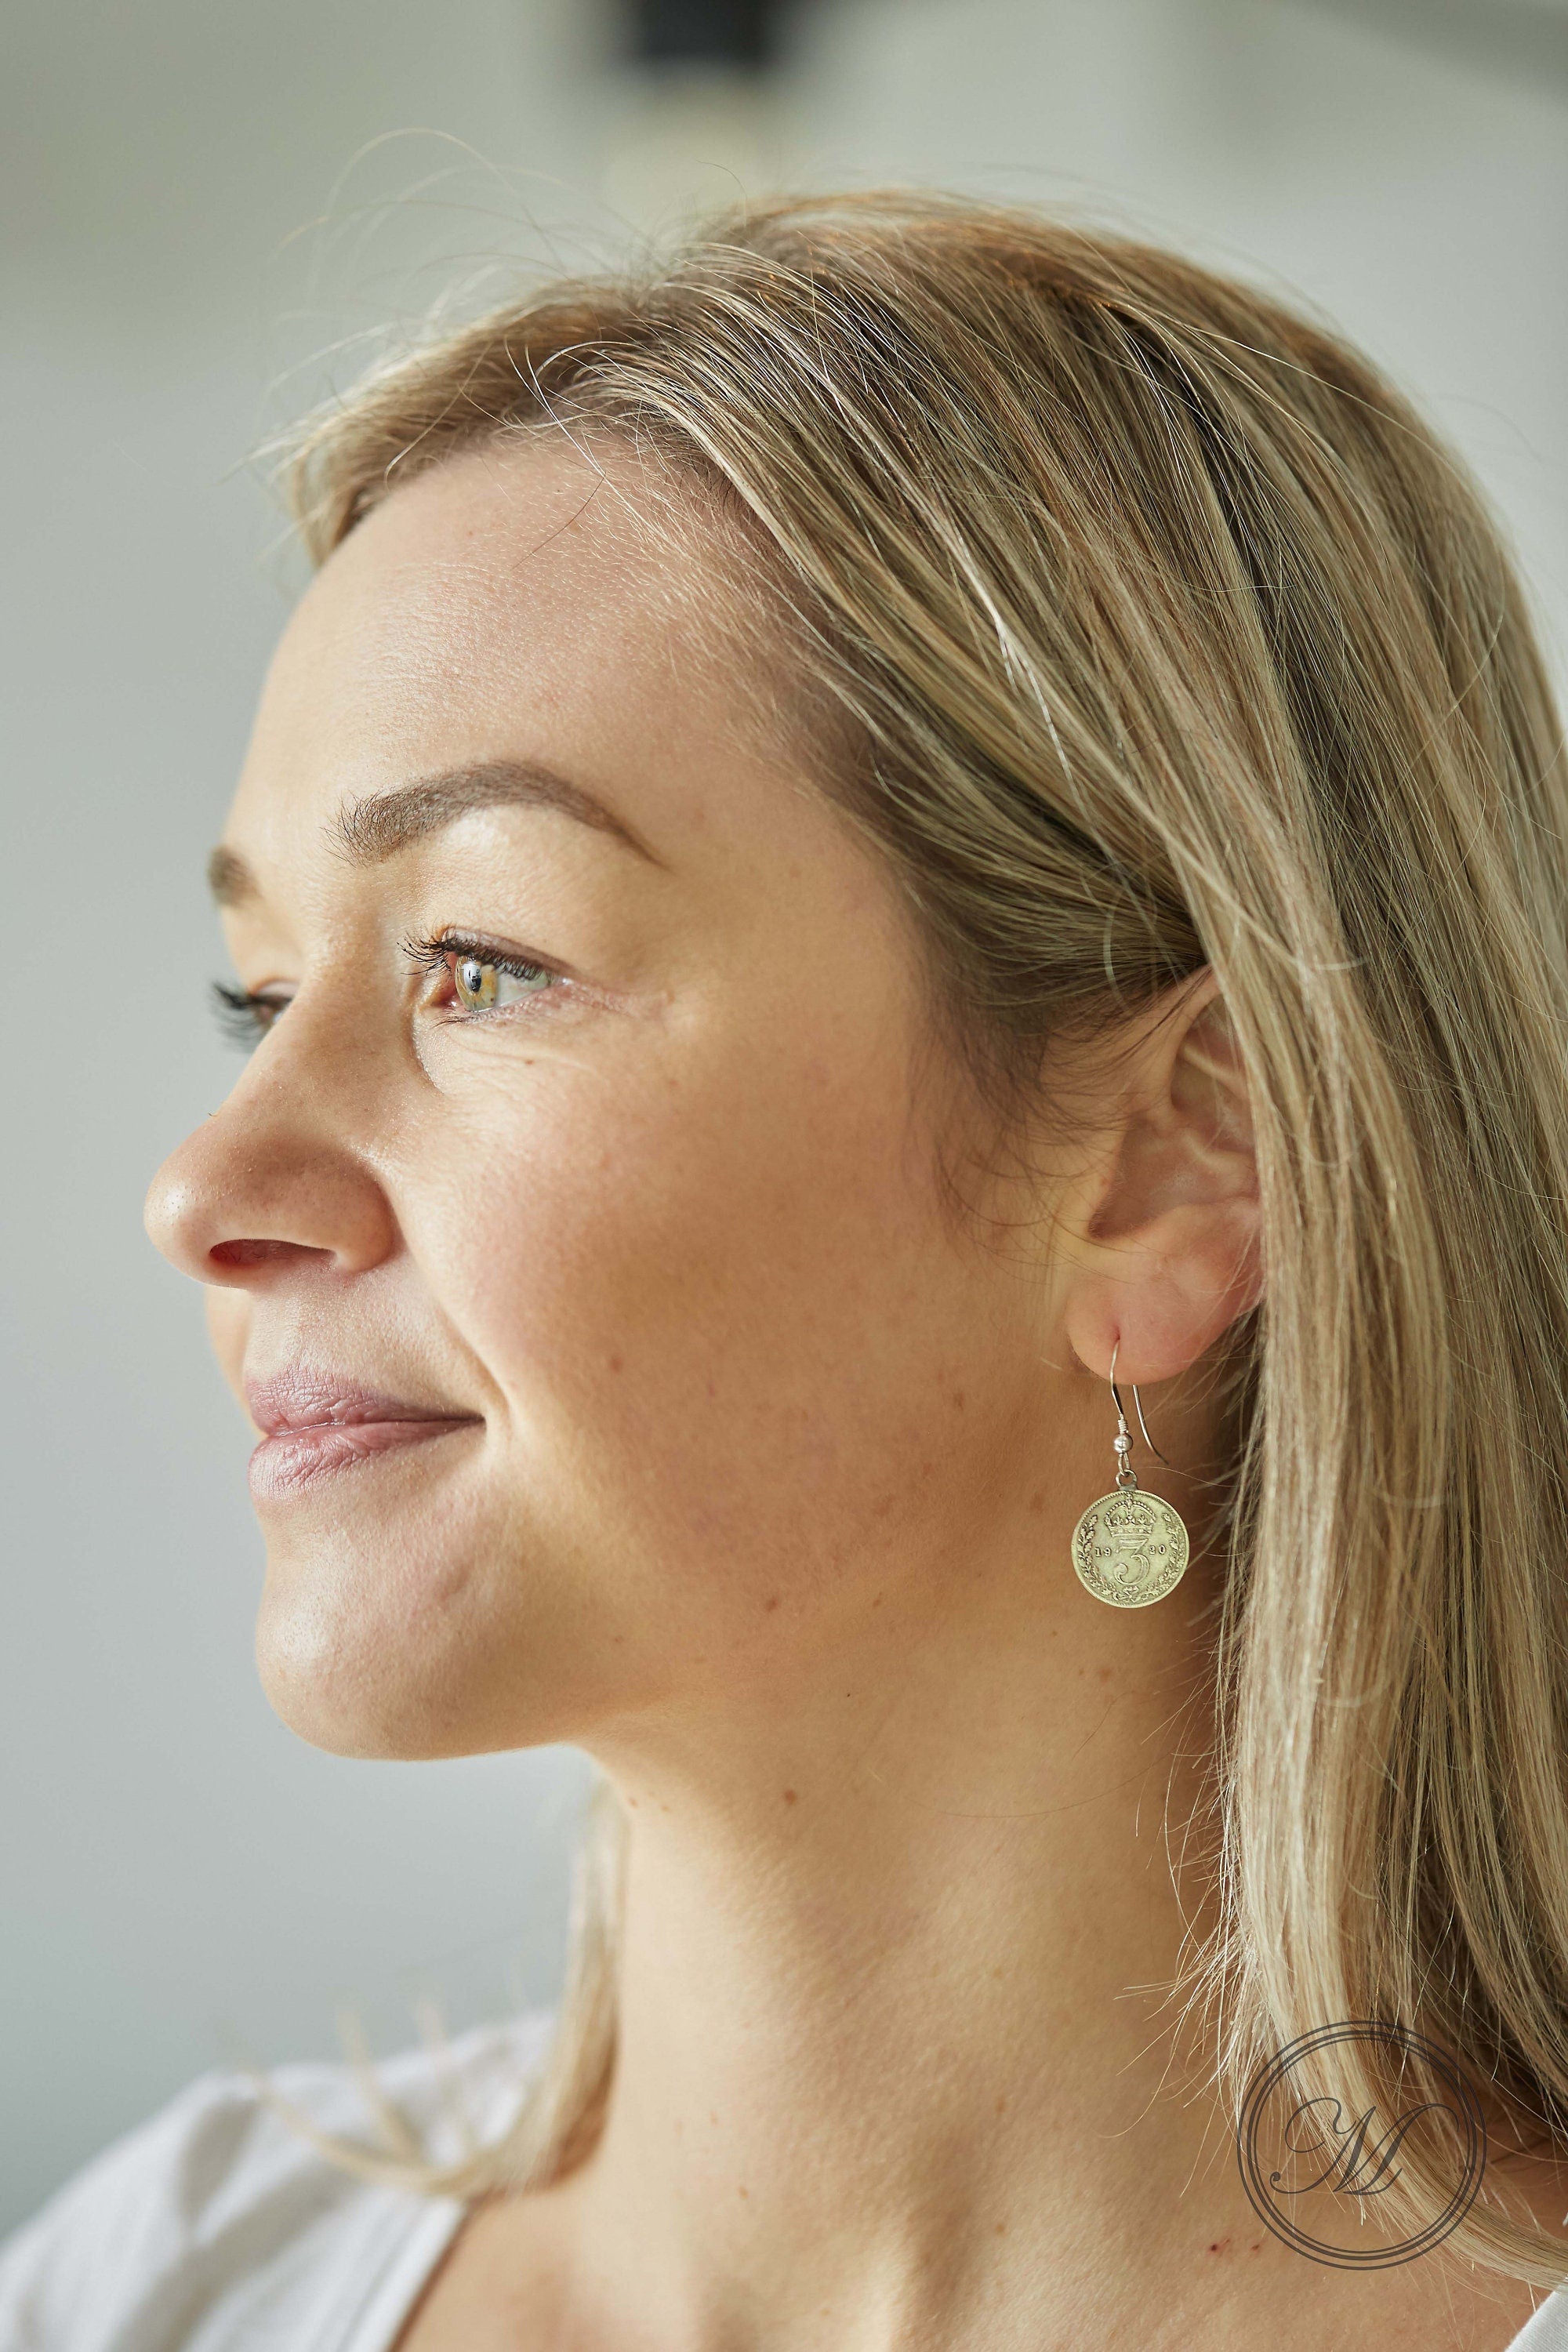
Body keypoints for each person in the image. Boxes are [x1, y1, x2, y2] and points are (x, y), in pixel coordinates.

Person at [6, 189, 1568, 2350]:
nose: (213, 1182)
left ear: (1180, 1160)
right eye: (255, 996)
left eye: (482, 961)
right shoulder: (144, 2294)